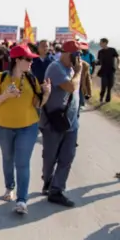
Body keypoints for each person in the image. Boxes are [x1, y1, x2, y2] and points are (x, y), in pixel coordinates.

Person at [0, 44, 51, 215]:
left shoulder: (31, 79)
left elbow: (38, 104)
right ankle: (10, 187)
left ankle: (22, 200)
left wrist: (46, 94)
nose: (31, 62)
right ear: (17, 60)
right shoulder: (1, 78)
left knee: (22, 163)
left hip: (28, 128)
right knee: (8, 158)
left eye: (31, 59)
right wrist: (6, 95)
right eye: (28, 59)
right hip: (3, 127)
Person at [40, 40, 82, 207]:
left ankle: (56, 190)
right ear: (66, 54)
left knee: (67, 156)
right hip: (53, 122)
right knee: (50, 157)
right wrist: (79, 72)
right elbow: (71, 87)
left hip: (71, 123)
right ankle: (48, 180)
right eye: (76, 55)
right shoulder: (55, 68)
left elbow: (77, 92)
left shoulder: (71, 68)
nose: (79, 59)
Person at [97, 37, 119, 103]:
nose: (100, 44)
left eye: (101, 43)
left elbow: (118, 57)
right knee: (104, 85)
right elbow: (99, 62)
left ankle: (107, 100)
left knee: (110, 85)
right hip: (103, 71)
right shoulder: (100, 52)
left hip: (111, 70)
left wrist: (118, 65)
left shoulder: (112, 50)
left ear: (105, 43)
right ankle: (101, 97)